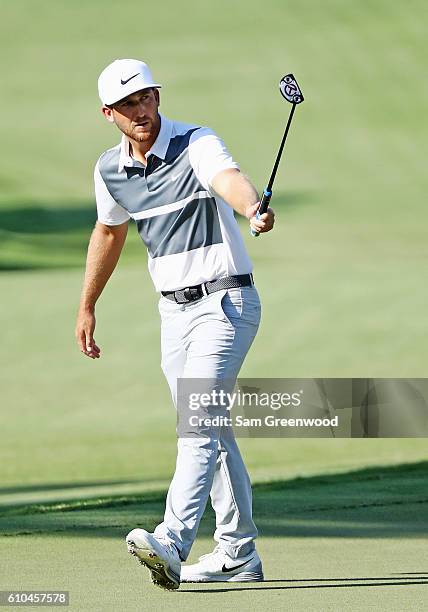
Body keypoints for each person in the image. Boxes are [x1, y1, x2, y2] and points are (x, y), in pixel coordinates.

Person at [75, 58, 275, 591]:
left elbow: (226, 178)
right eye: (126, 105)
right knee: (210, 428)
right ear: (108, 114)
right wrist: (87, 304)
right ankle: (237, 552)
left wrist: (251, 205)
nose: (140, 110)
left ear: (158, 96)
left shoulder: (195, 142)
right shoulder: (110, 170)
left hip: (225, 303)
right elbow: (108, 232)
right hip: (173, 313)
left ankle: (173, 540)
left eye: (146, 98)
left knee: (198, 423)